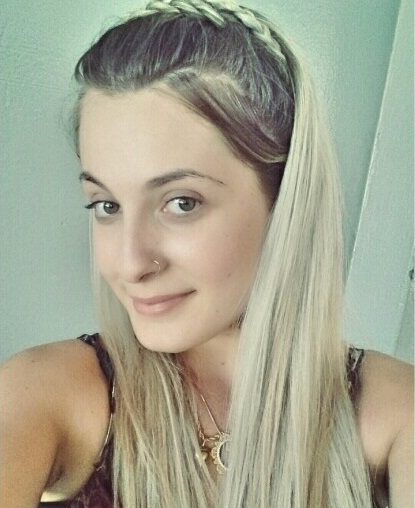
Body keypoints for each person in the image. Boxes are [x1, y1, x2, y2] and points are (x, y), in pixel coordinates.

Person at [0, 0, 413, 506]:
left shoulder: (397, 416)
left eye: (182, 202)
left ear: (284, 201)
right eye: (107, 205)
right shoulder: (41, 393)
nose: (130, 264)